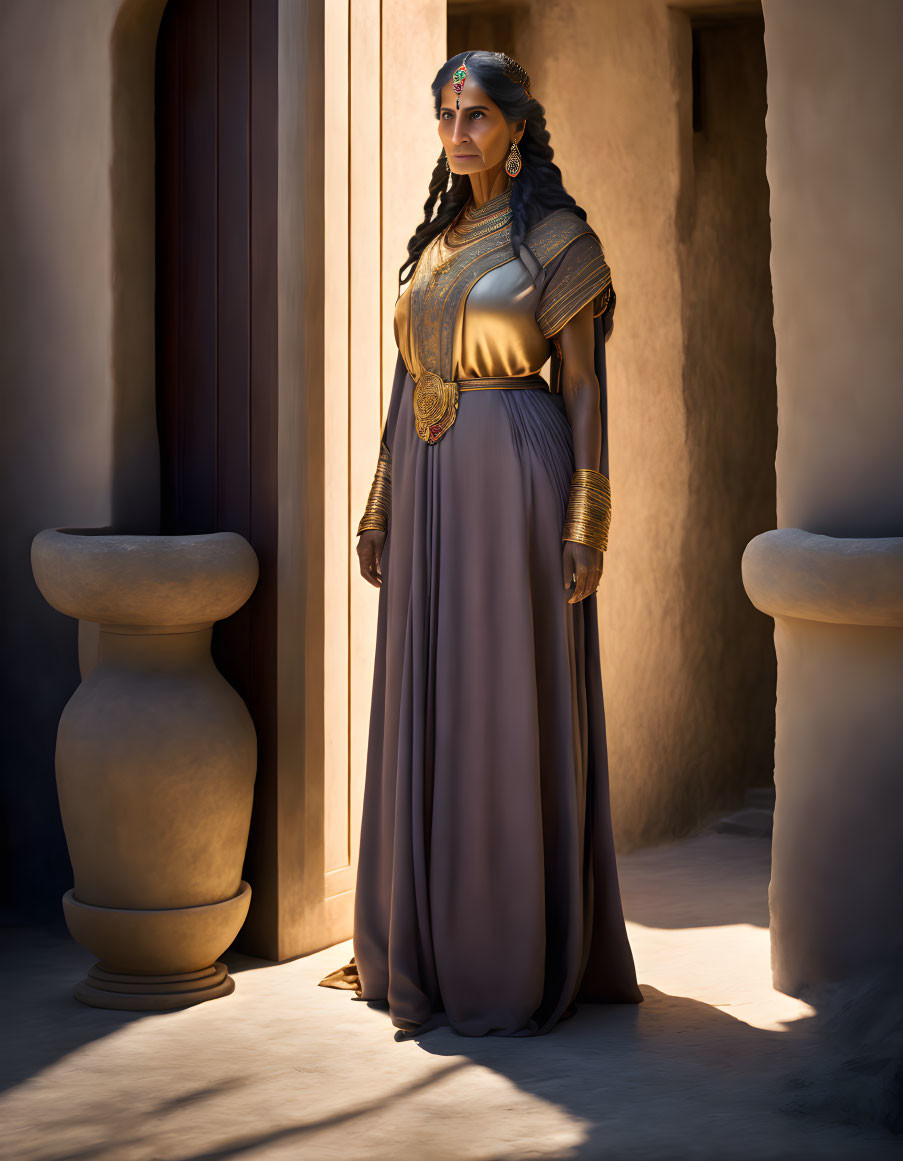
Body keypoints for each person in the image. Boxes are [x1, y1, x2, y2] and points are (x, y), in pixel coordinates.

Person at [319, 49, 643, 1038]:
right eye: (446, 118)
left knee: (501, 706)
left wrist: (587, 521)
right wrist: (378, 507)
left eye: (475, 119)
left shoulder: (558, 240)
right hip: (426, 480)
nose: (458, 136)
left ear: (516, 128)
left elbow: (583, 386)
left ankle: (503, 951)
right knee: (429, 699)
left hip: (516, 474)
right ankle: (417, 936)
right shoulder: (433, 243)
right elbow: (400, 380)